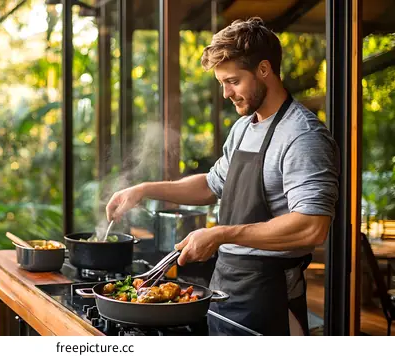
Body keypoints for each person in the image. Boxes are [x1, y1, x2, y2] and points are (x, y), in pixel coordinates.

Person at [105, 17, 339, 336]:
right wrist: (143, 189)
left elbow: (312, 227)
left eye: (233, 81)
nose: (226, 93)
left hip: (271, 295)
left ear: (264, 69)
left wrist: (220, 234)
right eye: (222, 84)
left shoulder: (303, 136)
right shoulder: (243, 128)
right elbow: (210, 185)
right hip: (226, 288)